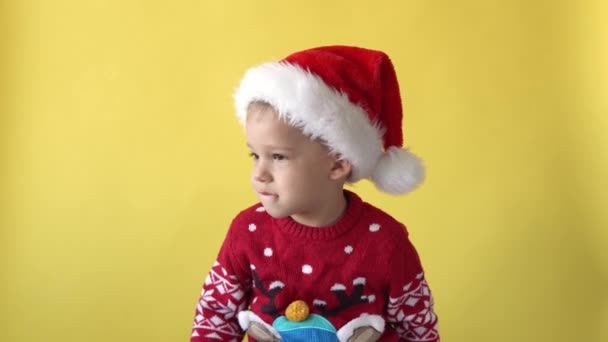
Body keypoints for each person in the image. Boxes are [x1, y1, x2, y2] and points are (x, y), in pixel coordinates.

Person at [190, 46, 439, 342]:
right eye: (255, 155)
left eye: (278, 157)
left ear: (337, 164)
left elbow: (418, 331)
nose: (260, 174)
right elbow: (216, 315)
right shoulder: (247, 231)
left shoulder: (386, 242)